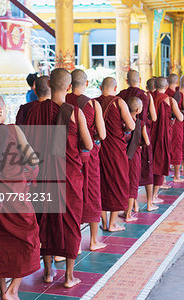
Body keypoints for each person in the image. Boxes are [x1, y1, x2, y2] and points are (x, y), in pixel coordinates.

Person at [26, 68, 92, 288]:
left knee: (45, 220)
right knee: (71, 222)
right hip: (69, 177)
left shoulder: (34, 111)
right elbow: (89, 145)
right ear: (69, 88)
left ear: (47, 86)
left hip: (42, 176)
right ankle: (69, 276)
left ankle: (47, 271)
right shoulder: (74, 111)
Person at [0, 93, 41, 300]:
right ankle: (13, 290)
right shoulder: (13, 129)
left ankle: (3, 290)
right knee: (29, 239)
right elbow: (33, 160)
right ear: (1, 111)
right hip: (16, 197)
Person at [66, 69, 107, 251]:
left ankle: (72, 242)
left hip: (66, 154)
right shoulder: (92, 104)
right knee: (91, 193)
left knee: (71, 195)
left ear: (68, 84)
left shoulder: (62, 102)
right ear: (87, 84)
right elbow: (103, 134)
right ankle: (92, 241)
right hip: (88, 154)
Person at [98, 77, 135, 231]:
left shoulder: (94, 102)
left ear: (101, 87)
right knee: (117, 183)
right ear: (116, 87)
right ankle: (112, 224)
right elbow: (132, 126)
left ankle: (104, 222)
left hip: (100, 148)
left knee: (101, 184)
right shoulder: (119, 102)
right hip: (116, 150)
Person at [118, 70, 157, 213]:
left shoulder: (121, 95)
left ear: (127, 81)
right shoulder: (144, 96)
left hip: (124, 139)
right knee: (146, 169)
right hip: (140, 136)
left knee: (128, 173)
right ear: (139, 79)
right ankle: (149, 202)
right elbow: (152, 117)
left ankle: (133, 204)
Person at [152, 77, 183, 203]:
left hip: (150, 135)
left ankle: (149, 197)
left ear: (154, 86)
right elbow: (180, 117)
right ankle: (154, 196)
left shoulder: (150, 97)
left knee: (151, 162)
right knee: (160, 161)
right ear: (166, 87)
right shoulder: (169, 100)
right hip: (162, 135)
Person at [123, 97, 149, 222]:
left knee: (126, 182)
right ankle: (128, 214)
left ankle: (126, 210)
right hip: (135, 155)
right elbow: (147, 142)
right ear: (138, 110)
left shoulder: (123, 122)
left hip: (124, 155)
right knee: (133, 183)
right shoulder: (140, 123)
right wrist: (139, 145)